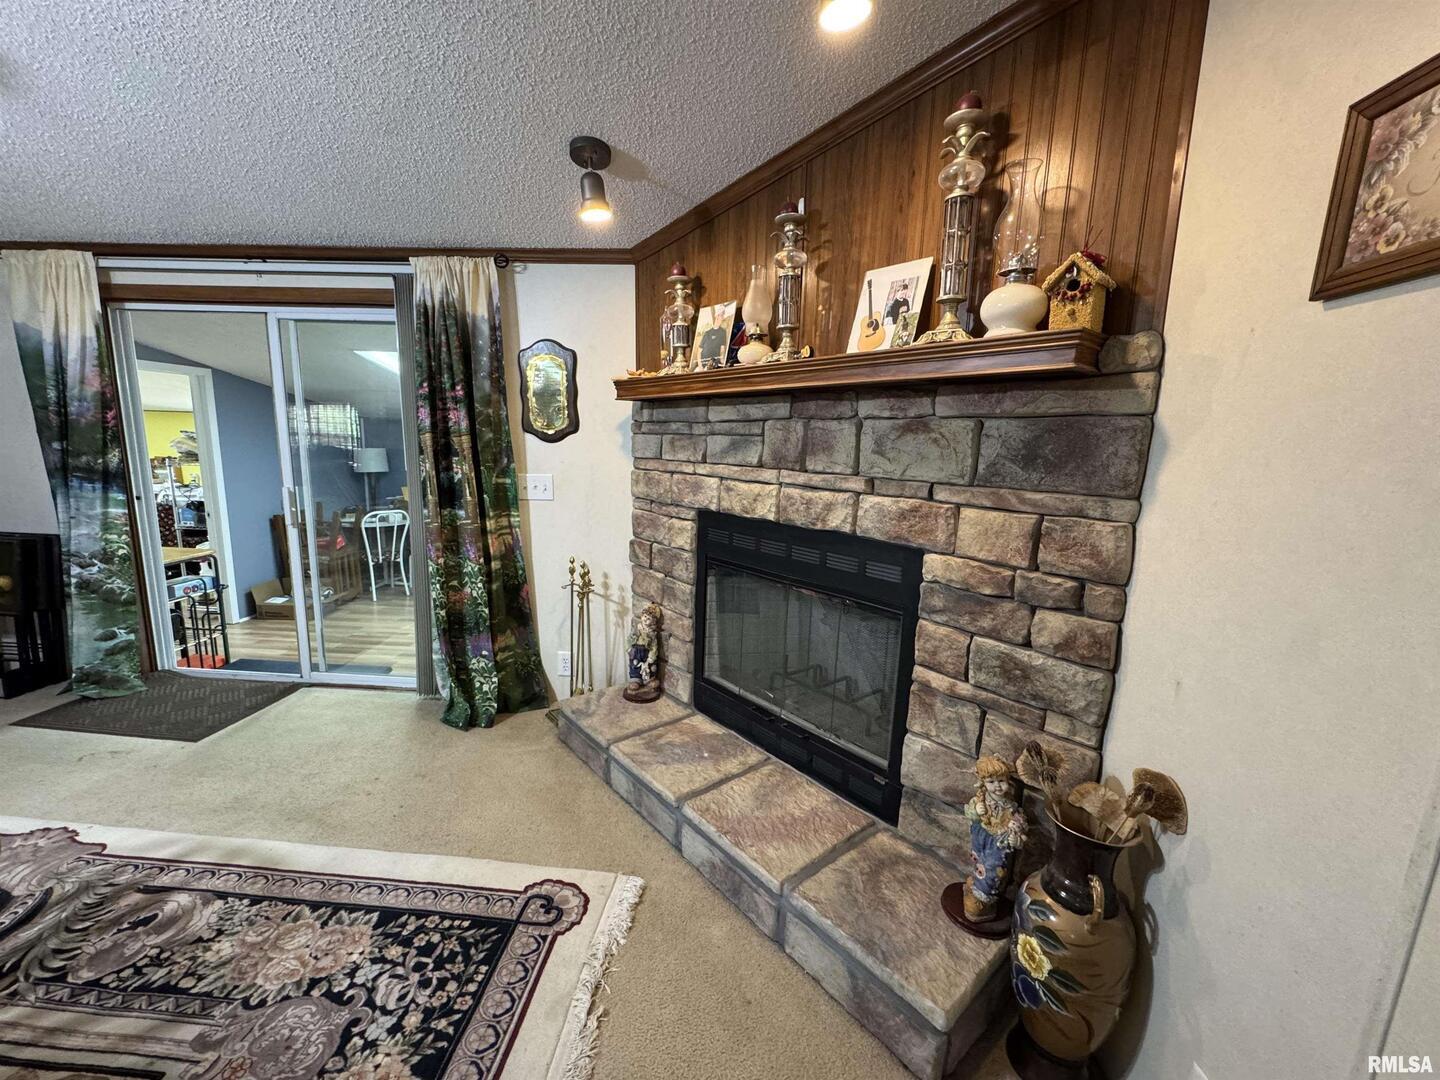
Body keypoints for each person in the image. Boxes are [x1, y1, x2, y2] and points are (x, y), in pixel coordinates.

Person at [963, 755, 1028, 920]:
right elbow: (969, 814)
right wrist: (977, 811)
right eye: (991, 782)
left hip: (997, 846)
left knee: (993, 871)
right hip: (981, 839)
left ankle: (984, 901)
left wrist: (1016, 840)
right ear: (983, 782)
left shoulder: (1011, 809)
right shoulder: (981, 800)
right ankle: (977, 886)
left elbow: (1020, 832)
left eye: (1001, 781)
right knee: (978, 862)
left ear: (1008, 781)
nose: (997, 786)